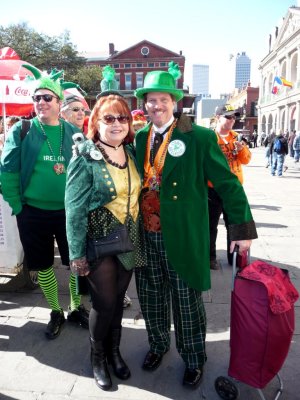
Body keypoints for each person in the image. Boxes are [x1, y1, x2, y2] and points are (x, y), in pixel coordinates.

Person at [133, 62, 257, 389]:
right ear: (144, 103)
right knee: (150, 296)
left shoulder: (198, 136)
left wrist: (241, 230)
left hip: (183, 235)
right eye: (150, 100)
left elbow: (228, 184)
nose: (156, 105)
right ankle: (158, 345)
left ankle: (193, 358)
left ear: (175, 102)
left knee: (186, 301)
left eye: (162, 99)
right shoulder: (141, 136)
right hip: (146, 235)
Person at [0, 65, 89, 340]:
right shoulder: (23, 130)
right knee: (43, 265)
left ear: (59, 102)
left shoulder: (73, 132)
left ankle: (75, 306)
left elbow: (88, 170)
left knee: (75, 262)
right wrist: (17, 205)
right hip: (33, 212)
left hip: (69, 212)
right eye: (36, 98)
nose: (40, 102)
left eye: (47, 97)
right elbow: (7, 169)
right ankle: (55, 310)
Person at [65, 86, 145, 391]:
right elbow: (73, 211)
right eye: (108, 118)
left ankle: (114, 352)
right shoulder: (84, 158)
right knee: (104, 303)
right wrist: (76, 254)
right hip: (99, 242)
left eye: (122, 118)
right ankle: (97, 357)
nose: (116, 124)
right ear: (96, 122)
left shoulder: (132, 153)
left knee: (118, 303)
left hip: (129, 237)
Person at [208, 105, 252, 269]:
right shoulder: (209, 138)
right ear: (217, 117)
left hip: (234, 189)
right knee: (210, 225)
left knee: (235, 223)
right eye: (228, 116)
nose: (232, 120)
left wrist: (241, 150)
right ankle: (210, 257)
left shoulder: (237, 137)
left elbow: (246, 160)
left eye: (234, 117)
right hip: (213, 189)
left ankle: (236, 257)